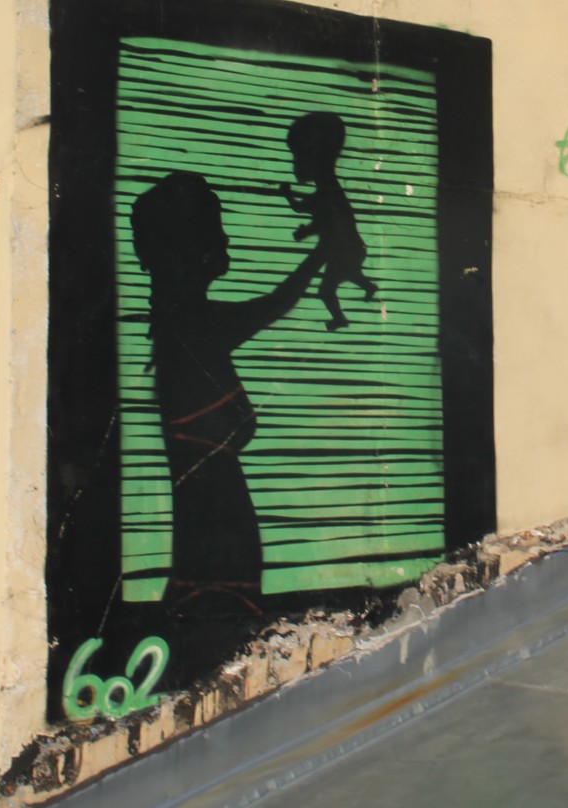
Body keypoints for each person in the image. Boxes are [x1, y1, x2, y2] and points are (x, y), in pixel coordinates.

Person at [130, 171, 322, 616]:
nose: (226, 239)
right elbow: (273, 305)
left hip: (213, 557)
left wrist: (318, 257)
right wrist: (320, 255)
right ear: (189, 245)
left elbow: (272, 305)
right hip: (212, 563)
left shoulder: (181, 326)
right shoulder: (191, 329)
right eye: (214, 228)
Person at [279, 112, 380, 330]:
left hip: (346, 250)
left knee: (326, 290)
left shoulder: (325, 195)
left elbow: (311, 213)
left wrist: (288, 196)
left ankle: (340, 318)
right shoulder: (329, 192)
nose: (294, 166)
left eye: (297, 158)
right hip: (352, 249)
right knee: (349, 272)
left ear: (314, 157)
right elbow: (323, 220)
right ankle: (368, 286)